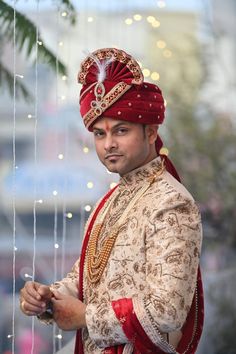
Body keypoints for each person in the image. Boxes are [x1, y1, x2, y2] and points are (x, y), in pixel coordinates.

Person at [20, 48, 204, 354]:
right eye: (99, 133)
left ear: (151, 132)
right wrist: (47, 298)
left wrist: (85, 317)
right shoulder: (113, 198)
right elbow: (87, 277)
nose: (109, 144)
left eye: (121, 130)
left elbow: (169, 311)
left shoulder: (171, 203)